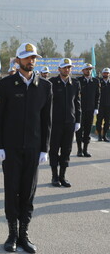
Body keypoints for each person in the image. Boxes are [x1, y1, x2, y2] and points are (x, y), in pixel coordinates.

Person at [0, 43, 52, 254]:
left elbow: (46, 121)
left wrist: (45, 148)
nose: (31, 61)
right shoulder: (5, 84)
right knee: (12, 191)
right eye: (27, 58)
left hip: (33, 149)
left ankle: (24, 234)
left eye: (33, 57)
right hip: (11, 149)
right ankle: (12, 234)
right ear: (17, 61)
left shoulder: (45, 86)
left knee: (28, 193)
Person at [48, 58, 81, 188]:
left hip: (69, 123)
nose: (67, 70)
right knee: (54, 150)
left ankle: (63, 176)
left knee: (66, 150)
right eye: (65, 67)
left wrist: (77, 120)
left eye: (69, 67)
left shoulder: (75, 83)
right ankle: (54, 176)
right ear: (59, 69)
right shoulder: (52, 83)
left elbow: (77, 103)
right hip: (55, 123)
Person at [76, 63, 100, 157]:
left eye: (90, 69)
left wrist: (96, 108)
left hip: (90, 110)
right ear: (83, 71)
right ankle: (79, 150)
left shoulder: (95, 81)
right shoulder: (78, 81)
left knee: (87, 130)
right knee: (79, 130)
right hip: (80, 110)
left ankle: (85, 150)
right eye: (87, 69)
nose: (88, 71)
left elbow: (97, 95)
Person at [96, 67, 110, 141]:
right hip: (100, 105)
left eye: (107, 73)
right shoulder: (99, 82)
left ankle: (104, 135)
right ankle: (99, 135)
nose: (106, 74)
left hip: (108, 106)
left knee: (107, 121)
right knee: (99, 121)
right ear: (102, 73)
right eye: (104, 73)